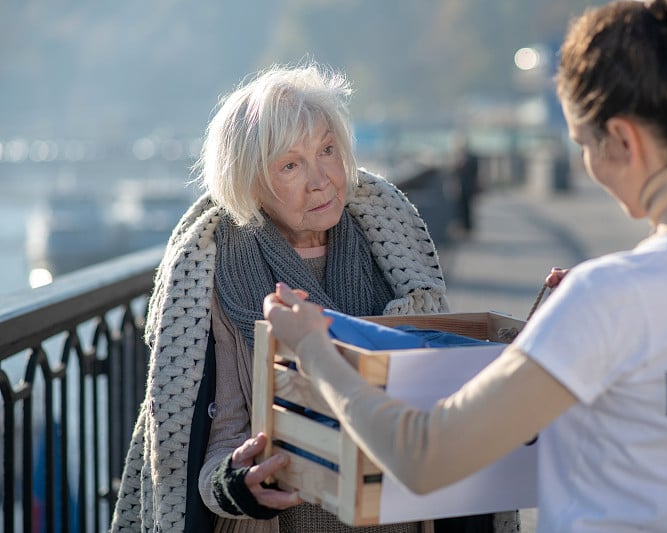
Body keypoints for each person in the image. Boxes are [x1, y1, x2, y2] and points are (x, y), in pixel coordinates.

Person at [261, 1, 667, 531]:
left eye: (583, 144)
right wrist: (554, 341)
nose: (589, 167)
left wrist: (313, 346)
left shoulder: (611, 297)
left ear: (624, 140)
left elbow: (424, 456)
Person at [110, 62, 518, 532]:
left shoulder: (394, 252)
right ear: (251, 183)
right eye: (290, 164)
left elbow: (447, 401)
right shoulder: (219, 276)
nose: (321, 179)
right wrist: (236, 483)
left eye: (327, 150)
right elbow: (213, 447)